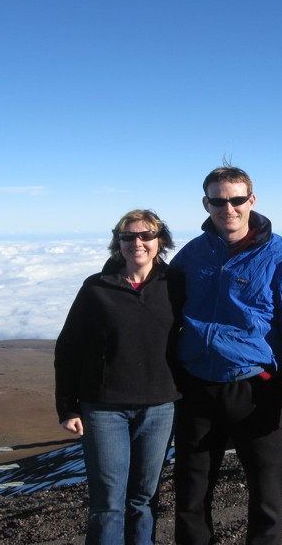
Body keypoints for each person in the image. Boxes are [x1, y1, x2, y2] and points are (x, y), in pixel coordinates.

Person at [170, 165, 282, 545]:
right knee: (191, 493)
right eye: (218, 201)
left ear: (251, 200)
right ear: (206, 204)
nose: (229, 208)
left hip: (258, 390)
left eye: (237, 199)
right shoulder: (192, 255)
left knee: (267, 495)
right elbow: (164, 312)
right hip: (197, 389)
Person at [54, 209, 183, 545]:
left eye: (146, 236)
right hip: (104, 408)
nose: (137, 243)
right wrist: (68, 407)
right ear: (118, 242)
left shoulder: (176, 286)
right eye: (128, 236)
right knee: (108, 501)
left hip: (159, 407)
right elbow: (68, 347)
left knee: (144, 497)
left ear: (160, 241)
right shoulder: (96, 288)